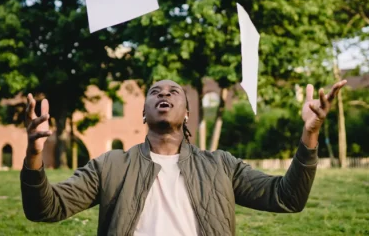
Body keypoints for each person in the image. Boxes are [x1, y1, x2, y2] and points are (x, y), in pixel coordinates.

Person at [21, 79, 346, 236]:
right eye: (155, 91)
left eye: (174, 91)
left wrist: (310, 135)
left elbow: (287, 198)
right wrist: (34, 154)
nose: (164, 93)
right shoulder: (111, 166)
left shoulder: (221, 165)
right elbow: (44, 209)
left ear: (188, 114)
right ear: (144, 114)